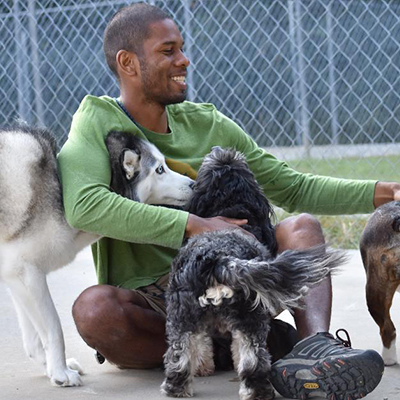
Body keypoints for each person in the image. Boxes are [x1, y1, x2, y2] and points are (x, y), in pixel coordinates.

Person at [57, 3, 399, 398]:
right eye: (168, 51)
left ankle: (312, 350)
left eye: (182, 48)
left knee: (301, 226)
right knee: (94, 312)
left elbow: (293, 187)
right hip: (157, 302)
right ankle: (248, 349)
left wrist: (389, 192)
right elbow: (85, 205)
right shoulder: (97, 120)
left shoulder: (208, 123)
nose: (184, 60)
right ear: (128, 63)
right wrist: (195, 225)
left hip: (239, 278)